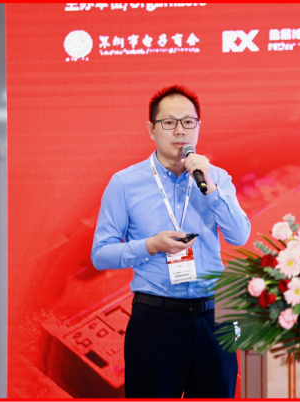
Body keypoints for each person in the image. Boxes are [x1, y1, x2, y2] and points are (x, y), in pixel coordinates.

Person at [91, 85, 250, 398]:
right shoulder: (124, 183)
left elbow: (239, 235)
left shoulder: (216, 177)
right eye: (169, 122)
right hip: (156, 320)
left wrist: (212, 190)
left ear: (198, 127)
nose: (180, 131)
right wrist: (150, 246)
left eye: (188, 122)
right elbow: (100, 254)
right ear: (151, 129)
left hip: (214, 317)